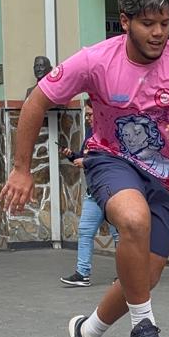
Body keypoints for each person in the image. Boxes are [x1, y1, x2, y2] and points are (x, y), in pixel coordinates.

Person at [0, 0, 169, 337]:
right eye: (148, 23)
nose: (158, 33)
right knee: (133, 219)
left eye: (164, 23)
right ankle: (143, 326)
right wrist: (22, 169)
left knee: (145, 276)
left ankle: (88, 332)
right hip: (111, 160)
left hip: (165, 177)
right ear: (125, 21)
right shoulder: (95, 60)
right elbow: (36, 102)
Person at [60, 101, 118, 286]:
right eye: (86, 115)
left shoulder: (112, 133)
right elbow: (85, 156)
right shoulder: (90, 134)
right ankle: (82, 273)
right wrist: (72, 155)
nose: (87, 118)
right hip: (93, 192)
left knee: (119, 236)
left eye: (90, 114)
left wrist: (86, 162)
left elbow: (113, 159)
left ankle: (125, 275)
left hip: (113, 192)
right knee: (85, 232)